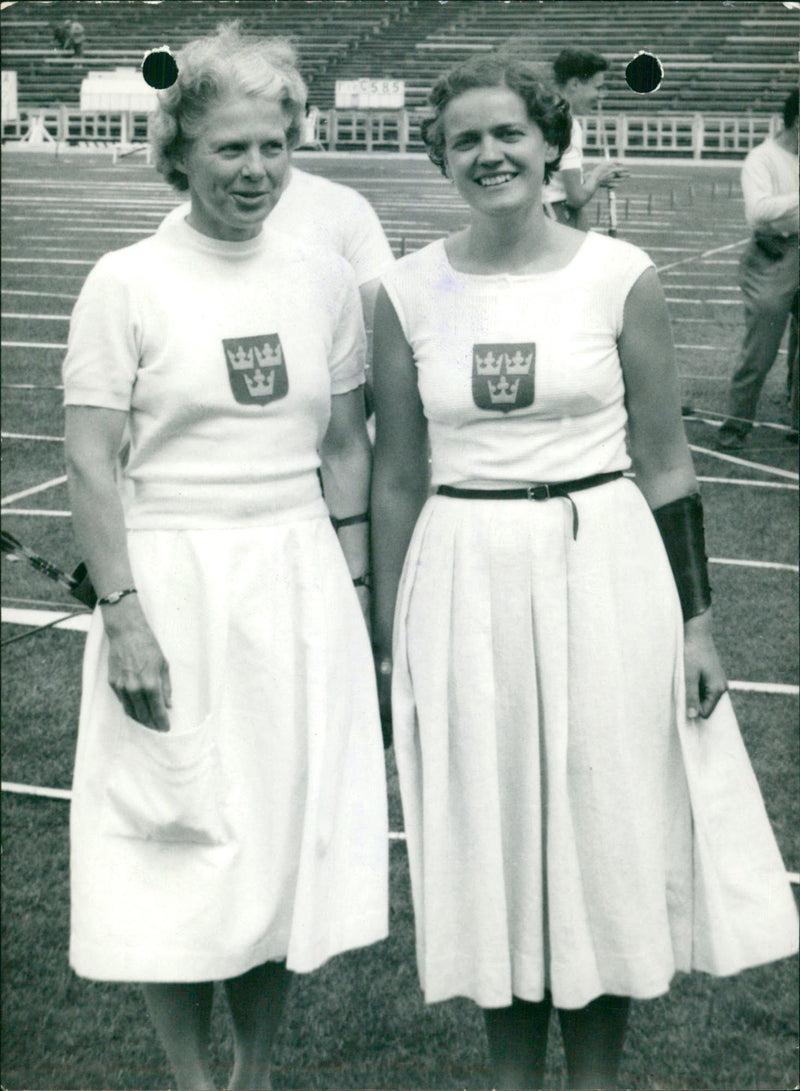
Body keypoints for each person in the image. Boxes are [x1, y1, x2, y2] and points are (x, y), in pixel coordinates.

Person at [370, 52, 798, 1091]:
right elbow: (394, 478)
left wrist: (694, 624)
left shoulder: (617, 273)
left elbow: (662, 458)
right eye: (464, 137)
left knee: (599, 832)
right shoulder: (400, 288)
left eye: (508, 132)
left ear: (548, 140)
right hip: (462, 578)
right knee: (494, 839)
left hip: (603, 570)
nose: (489, 153)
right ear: (438, 156)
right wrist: (389, 636)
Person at [63, 24, 388, 1091]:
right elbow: (93, 462)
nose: (255, 171)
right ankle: (190, 1080)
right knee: (175, 828)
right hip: (173, 581)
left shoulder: (319, 276)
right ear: (182, 151)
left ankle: (253, 1073)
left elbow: (344, 445)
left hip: (295, 576)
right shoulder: (127, 280)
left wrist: (350, 595)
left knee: (274, 834)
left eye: (274, 147)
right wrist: (125, 613)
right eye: (230, 149)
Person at [716, 88, 799, 451]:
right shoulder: (762, 158)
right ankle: (735, 425)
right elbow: (759, 211)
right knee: (761, 348)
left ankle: (796, 420)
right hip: (771, 254)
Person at [542, 48, 627, 229]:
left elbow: (551, 179)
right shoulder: (568, 124)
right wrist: (597, 175)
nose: (601, 96)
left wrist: (590, 178)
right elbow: (576, 198)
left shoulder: (544, 115)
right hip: (557, 218)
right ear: (574, 84)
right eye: (597, 88)